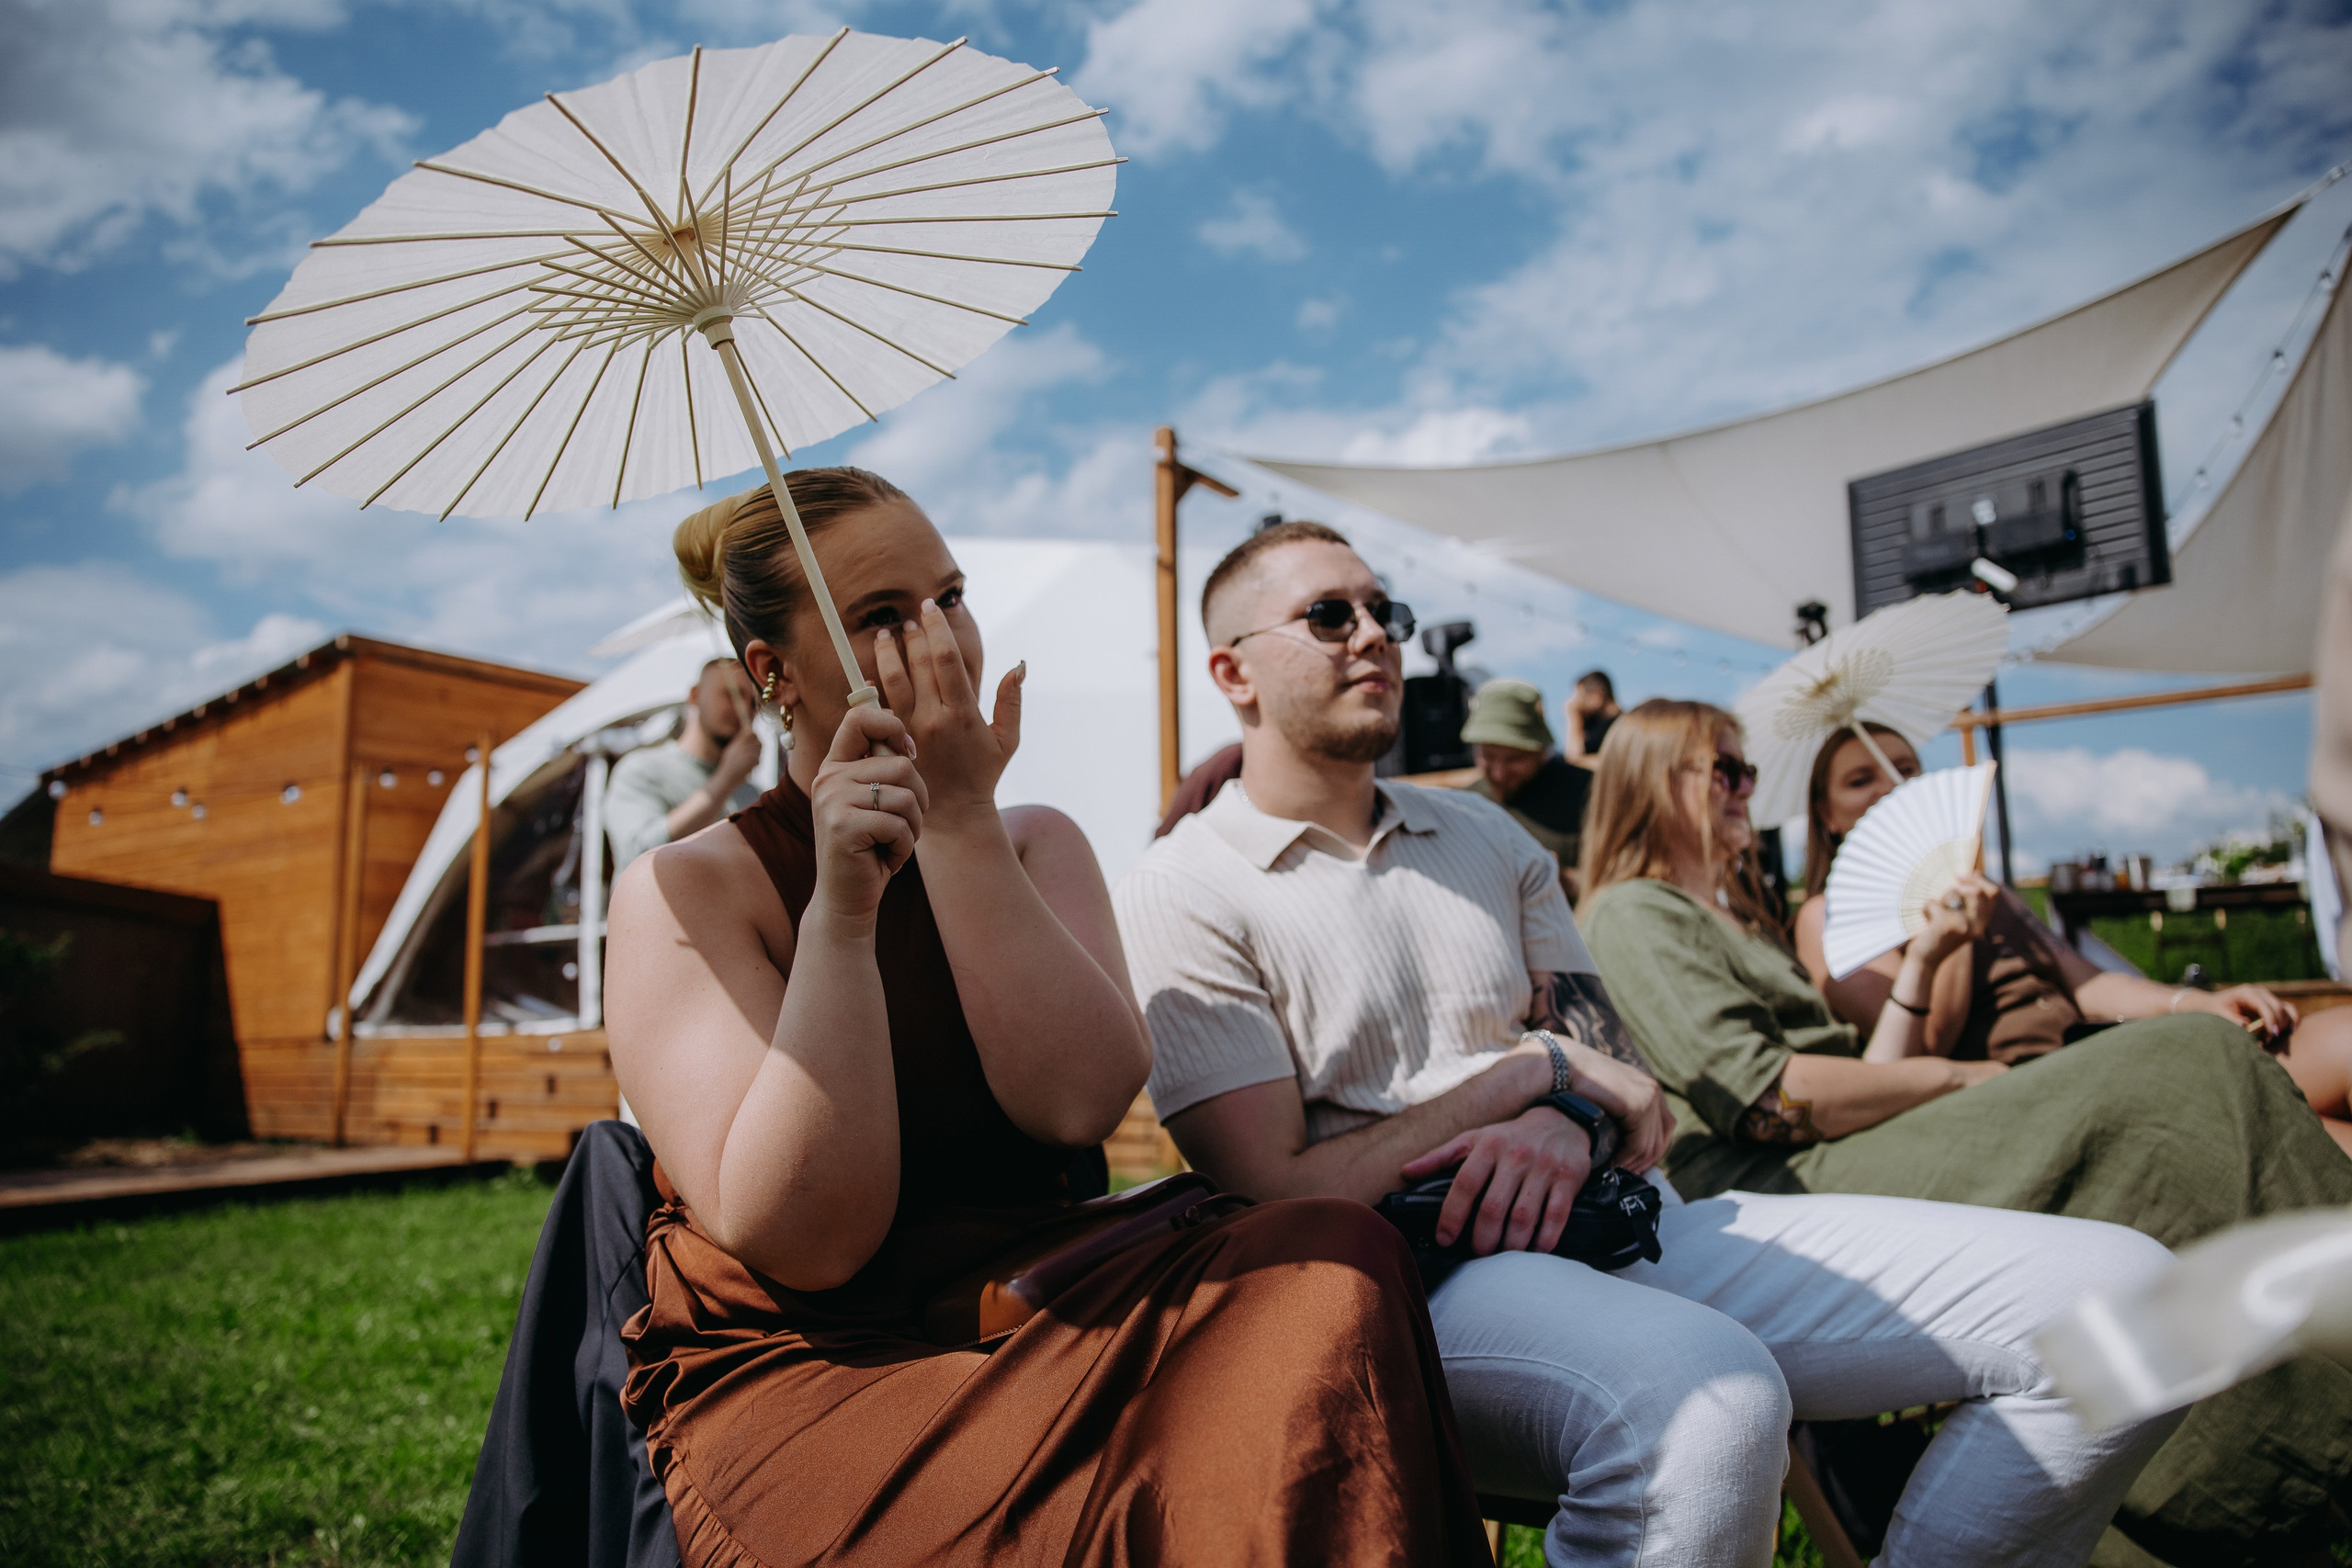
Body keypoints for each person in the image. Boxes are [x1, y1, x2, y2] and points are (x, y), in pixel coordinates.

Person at [1114, 522, 2183, 1568]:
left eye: (1384, 610)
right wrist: (1531, 1076)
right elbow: (1273, 1199)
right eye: (1329, 614)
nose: (1376, 636)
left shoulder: (1488, 838)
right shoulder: (1185, 883)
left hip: (1631, 1218)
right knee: (1709, 1402)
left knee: (2124, 1294)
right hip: (1416, 1280)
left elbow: (1621, 1082)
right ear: (1233, 671)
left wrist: (1563, 1115)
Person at [601, 472, 1489, 1568]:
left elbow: (1077, 1104)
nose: (941, 638)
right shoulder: (686, 890)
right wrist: (840, 916)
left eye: (952, 595)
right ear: (772, 672)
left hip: (1043, 1294)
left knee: (1326, 1256)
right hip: (823, 1362)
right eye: (882, 615)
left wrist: (961, 820)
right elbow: (812, 1241)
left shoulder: (1028, 840)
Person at [1577, 697, 2352, 1565]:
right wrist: (1962, 1073)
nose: (1744, 789)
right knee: (2184, 1066)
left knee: (2192, 1080)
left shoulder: (1727, 914)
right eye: (1723, 769)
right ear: (1651, 784)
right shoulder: (1634, 911)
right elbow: (1769, 1097)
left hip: (1836, 1150)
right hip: (1776, 1185)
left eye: (1747, 769)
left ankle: (2255, 1472)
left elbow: (1873, 1060)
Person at [1794, 722, 2352, 1155]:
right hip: (2031, 1096)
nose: (1892, 788)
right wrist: (1950, 938)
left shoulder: (1988, 890)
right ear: (1827, 814)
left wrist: (2195, 1003)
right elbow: (1924, 1046)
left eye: (1906, 770)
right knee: (2304, 1132)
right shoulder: (1828, 917)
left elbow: (2085, 983)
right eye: (1860, 779)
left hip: (2097, 1049)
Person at [605, 659, 763, 870]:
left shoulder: (752, 795)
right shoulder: (641, 769)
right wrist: (724, 781)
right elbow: (639, 855)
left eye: (754, 703)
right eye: (731, 694)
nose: (744, 708)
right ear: (695, 696)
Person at [1461, 678, 1591, 887]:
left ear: (1542, 751)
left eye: (1515, 759)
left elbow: (1620, 883)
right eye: (1488, 756)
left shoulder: (1587, 793)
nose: (1499, 773)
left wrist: (1563, 880)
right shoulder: (1464, 805)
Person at [1561, 669, 1620, 766]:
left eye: (1580, 696)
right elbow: (1572, 753)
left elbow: (1573, 758)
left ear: (1597, 696)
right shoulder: (1588, 721)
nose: (1577, 702)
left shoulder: (1623, 724)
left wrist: (1573, 715)